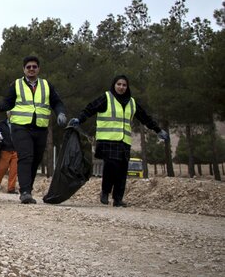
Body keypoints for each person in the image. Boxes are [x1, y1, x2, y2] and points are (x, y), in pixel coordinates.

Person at [68, 75, 169, 207]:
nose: (121, 87)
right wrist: (79, 119)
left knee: (122, 170)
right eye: (119, 84)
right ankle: (105, 192)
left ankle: (118, 199)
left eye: (124, 85)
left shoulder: (132, 103)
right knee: (111, 166)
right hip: (107, 140)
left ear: (127, 87)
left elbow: (145, 118)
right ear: (114, 85)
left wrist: (158, 130)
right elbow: (90, 108)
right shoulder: (106, 98)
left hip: (124, 141)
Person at [0, 55, 67, 204]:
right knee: (25, 157)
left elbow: (57, 102)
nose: (31, 69)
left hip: (41, 128)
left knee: (36, 159)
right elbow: (7, 103)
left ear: (38, 69)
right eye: (28, 67)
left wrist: (61, 113)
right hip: (20, 127)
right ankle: (25, 192)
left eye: (34, 67)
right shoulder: (16, 85)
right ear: (24, 69)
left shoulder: (46, 85)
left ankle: (27, 189)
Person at [0, 112, 18, 194]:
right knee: (2, 169)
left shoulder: (18, 124)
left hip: (16, 150)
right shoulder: (1, 124)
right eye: (10, 113)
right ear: (7, 114)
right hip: (5, 150)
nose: (11, 114)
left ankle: (11, 189)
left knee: (14, 171)